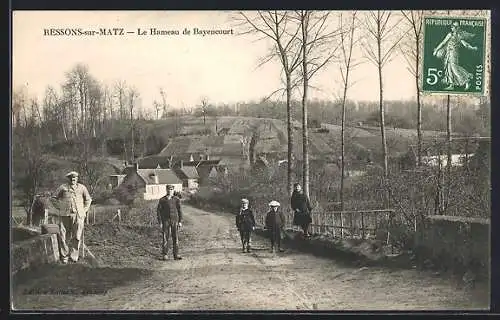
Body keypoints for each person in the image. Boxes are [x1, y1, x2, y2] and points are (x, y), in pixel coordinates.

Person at [51, 171, 92, 264]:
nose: (73, 180)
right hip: (65, 215)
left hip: (78, 215)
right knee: (63, 235)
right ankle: (64, 256)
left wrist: (84, 210)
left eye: (75, 178)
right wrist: (60, 207)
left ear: (77, 179)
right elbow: (53, 198)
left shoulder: (82, 188)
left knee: (77, 236)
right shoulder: (63, 187)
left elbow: (88, 200)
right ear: (69, 179)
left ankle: (74, 256)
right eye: (71, 178)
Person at [433, 21, 478, 91]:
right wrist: (436, 50)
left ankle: (466, 81)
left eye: (454, 26)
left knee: (454, 68)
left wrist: (472, 48)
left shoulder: (459, 35)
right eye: (452, 26)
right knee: (449, 68)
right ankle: (451, 85)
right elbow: (443, 43)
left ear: (457, 28)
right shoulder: (450, 34)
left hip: (454, 53)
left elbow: (465, 44)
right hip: (448, 53)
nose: (452, 27)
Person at [157, 185, 183, 261]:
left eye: (171, 189)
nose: (170, 191)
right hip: (165, 221)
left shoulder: (176, 199)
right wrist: (160, 222)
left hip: (174, 220)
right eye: (168, 189)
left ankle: (176, 254)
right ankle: (165, 254)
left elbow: (180, 211)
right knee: (165, 237)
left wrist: (180, 221)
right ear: (166, 190)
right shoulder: (162, 200)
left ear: (173, 190)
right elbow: (159, 212)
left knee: (175, 237)